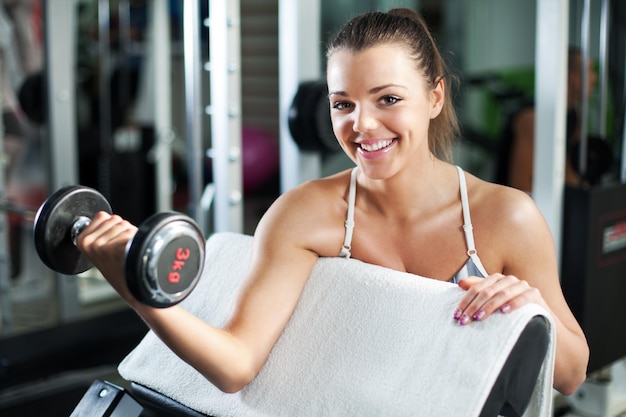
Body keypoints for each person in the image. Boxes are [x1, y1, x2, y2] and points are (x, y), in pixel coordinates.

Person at [77, 8, 588, 397]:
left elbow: (571, 374)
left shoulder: (505, 216)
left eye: (388, 99)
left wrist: (530, 308)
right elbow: (235, 365)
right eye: (343, 103)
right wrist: (135, 287)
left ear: (434, 97)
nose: (361, 125)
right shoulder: (303, 215)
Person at [504, 47, 598, 193]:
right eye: (589, 71)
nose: (594, 78)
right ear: (571, 77)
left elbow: (571, 174)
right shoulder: (532, 119)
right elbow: (521, 188)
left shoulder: (573, 116)